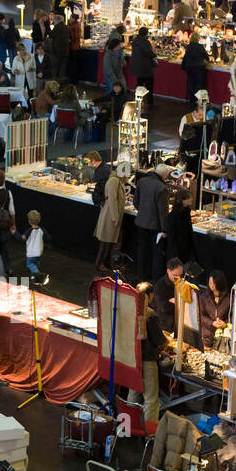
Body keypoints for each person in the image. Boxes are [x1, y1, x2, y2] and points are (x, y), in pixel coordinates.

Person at [129, 282, 166, 430]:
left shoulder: (130, 309)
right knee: (151, 400)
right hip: (147, 361)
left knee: (133, 395)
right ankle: (150, 434)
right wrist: (166, 343)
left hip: (133, 359)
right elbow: (158, 339)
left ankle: (128, 427)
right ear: (150, 296)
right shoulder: (150, 314)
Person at [134, 164, 170, 282]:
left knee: (142, 251)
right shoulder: (162, 188)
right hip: (155, 226)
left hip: (140, 223)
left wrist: (143, 212)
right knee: (156, 254)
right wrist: (164, 229)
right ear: (164, 176)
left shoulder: (141, 181)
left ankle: (140, 276)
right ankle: (156, 280)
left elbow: (136, 202)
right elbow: (163, 212)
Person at [93, 168, 124, 273]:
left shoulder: (115, 179)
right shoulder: (114, 181)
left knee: (108, 241)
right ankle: (100, 263)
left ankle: (104, 263)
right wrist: (115, 217)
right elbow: (112, 199)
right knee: (106, 241)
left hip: (110, 214)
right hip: (110, 216)